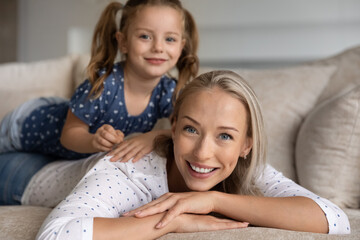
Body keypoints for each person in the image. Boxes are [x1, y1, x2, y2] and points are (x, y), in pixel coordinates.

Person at [35, 70, 350, 239]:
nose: (203, 153)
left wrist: (213, 201)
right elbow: (57, 235)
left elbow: (335, 219)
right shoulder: (133, 169)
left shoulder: (244, 167)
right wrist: (172, 222)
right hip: (26, 174)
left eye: (225, 135)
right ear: (172, 128)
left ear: (246, 146)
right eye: (191, 130)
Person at [0, 0, 199, 205]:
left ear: (181, 46)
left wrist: (153, 136)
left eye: (170, 39)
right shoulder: (104, 85)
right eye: (145, 36)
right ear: (123, 42)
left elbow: (186, 130)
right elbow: (69, 135)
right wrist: (93, 141)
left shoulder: (168, 92)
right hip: (26, 125)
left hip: (56, 154)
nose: (158, 47)